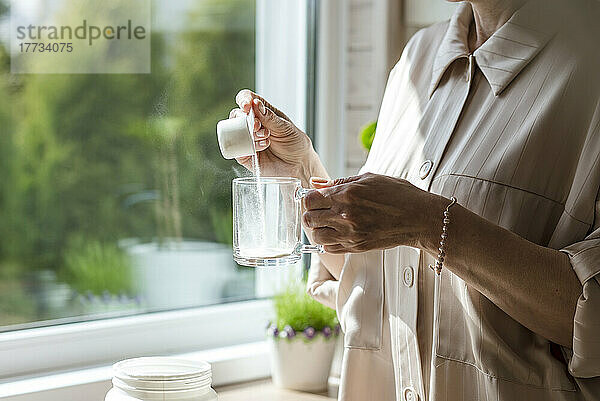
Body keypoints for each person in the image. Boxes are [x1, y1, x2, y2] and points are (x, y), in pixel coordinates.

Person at [227, 0, 600, 399]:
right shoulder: (418, 58)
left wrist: (427, 222)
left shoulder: (589, 60)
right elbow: (368, 279)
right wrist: (300, 169)